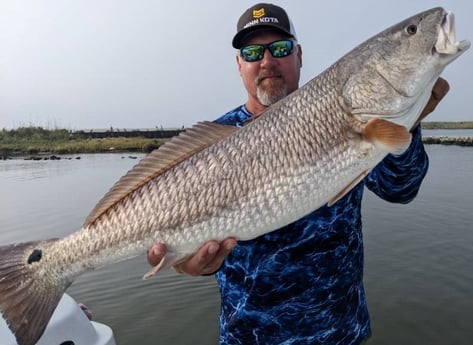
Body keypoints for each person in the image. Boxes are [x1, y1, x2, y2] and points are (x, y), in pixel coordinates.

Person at [148, 3, 450, 344]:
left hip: (341, 334)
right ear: (239, 65)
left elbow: (401, 189)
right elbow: (188, 241)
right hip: (249, 337)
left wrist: (408, 121)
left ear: (299, 55)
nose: (267, 61)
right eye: (251, 52)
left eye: (280, 48)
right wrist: (191, 263)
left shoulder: (345, 109)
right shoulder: (211, 144)